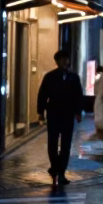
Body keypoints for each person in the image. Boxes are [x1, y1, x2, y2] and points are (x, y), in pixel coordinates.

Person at [37, 50, 85, 187]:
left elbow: (78, 95)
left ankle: (61, 172)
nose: (65, 61)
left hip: (68, 114)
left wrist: (78, 111)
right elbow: (43, 94)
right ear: (57, 61)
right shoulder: (50, 76)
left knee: (65, 145)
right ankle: (55, 167)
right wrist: (40, 111)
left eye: (66, 59)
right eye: (62, 59)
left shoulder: (74, 77)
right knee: (52, 143)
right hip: (53, 113)